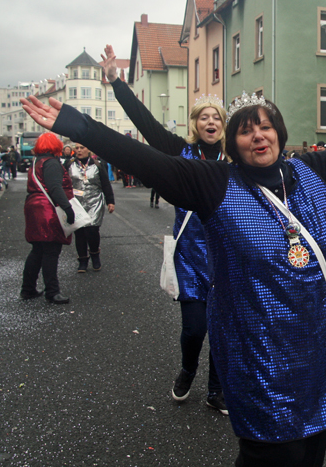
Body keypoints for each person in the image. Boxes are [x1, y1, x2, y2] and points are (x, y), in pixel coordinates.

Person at [22, 77, 326, 466]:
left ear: (279, 133)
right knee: (271, 453)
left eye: (266, 126)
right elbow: (144, 157)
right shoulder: (214, 184)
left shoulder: (315, 171)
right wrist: (75, 124)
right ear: (233, 143)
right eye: (246, 130)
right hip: (257, 354)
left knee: (312, 448)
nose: (258, 136)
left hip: (316, 347)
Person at [99, 44, 229, 415]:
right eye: (204, 117)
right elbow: (146, 125)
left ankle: (216, 389)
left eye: (216, 118)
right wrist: (117, 83)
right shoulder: (179, 151)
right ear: (195, 123)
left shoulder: (234, 159)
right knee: (195, 329)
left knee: (223, 328)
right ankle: (188, 369)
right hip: (190, 257)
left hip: (226, 258)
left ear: (223, 124)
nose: (210, 122)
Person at [21, 133, 74, 304]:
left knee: (37, 250)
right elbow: (55, 187)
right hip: (46, 209)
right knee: (51, 251)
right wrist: (68, 208)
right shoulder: (51, 163)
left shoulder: (36, 162)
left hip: (33, 206)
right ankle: (52, 292)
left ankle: (28, 289)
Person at [68, 143, 115, 273]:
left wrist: (110, 201)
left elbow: (105, 184)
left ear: (88, 149)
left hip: (94, 202)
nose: (79, 150)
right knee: (80, 232)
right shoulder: (69, 165)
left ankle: (95, 255)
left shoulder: (97, 165)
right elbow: (64, 183)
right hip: (77, 203)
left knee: (92, 230)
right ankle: (82, 260)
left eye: (82, 148)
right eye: (76, 148)